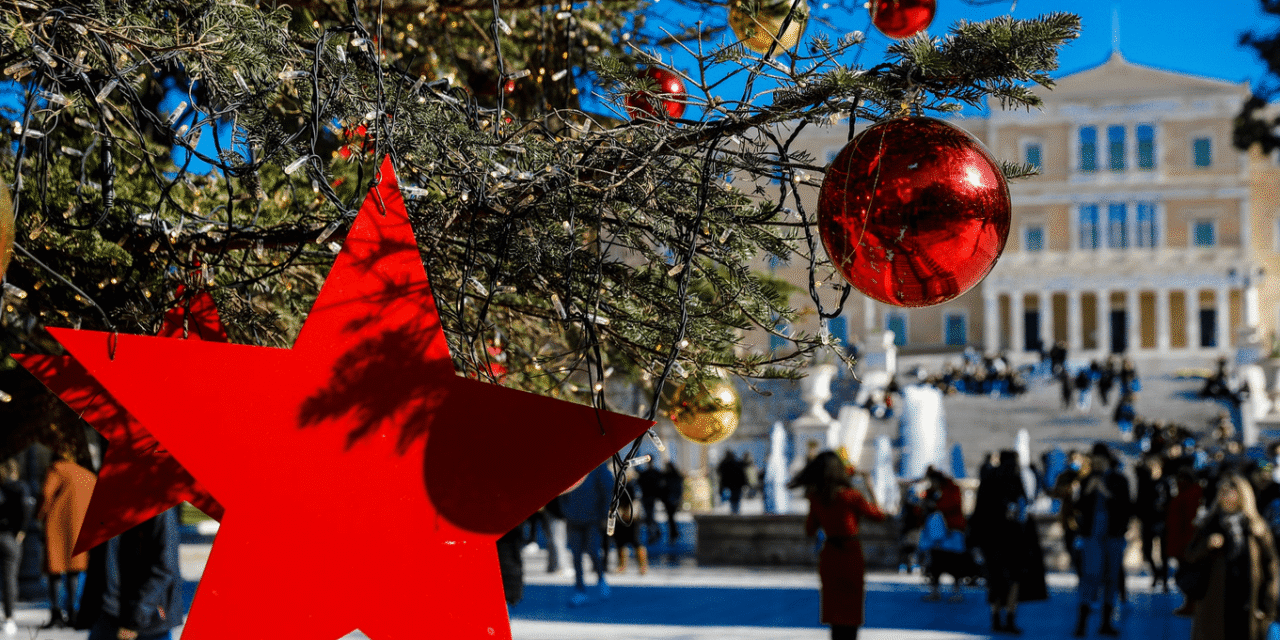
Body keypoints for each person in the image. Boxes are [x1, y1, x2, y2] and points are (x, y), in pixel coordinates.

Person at [790, 451, 886, 640]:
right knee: (851, 609)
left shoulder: (817, 498)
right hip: (850, 553)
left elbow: (810, 530)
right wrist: (869, 485)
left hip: (830, 554)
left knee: (834, 610)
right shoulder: (851, 496)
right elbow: (879, 515)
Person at [1184, 473, 1278, 640]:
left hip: (1249, 603)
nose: (1225, 497)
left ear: (1243, 496)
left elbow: (1271, 566)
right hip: (1215, 604)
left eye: (1230, 493)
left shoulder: (1257, 528)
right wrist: (1207, 545)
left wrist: (1268, 604)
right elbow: (1189, 557)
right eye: (1222, 492)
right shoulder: (1209, 524)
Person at [75, 507, 184, 640]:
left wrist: (136, 619)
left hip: (146, 621)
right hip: (106, 615)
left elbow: (164, 568)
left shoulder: (158, 508)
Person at [970, 450, 1046, 634]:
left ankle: (996, 618)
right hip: (1012, 539)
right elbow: (1023, 509)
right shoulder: (1013, 480)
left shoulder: (989, 480)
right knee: (1013, 580)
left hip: (992, 540)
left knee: (996, 580)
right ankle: (1009, 618)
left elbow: (978, 513)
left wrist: (976, 540)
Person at [1073, 443, 1132, 637]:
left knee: (1111, 577)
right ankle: (1082, 623)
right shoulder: (1087, 480)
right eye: (1094, 460)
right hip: (1092, 536)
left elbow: (1125, 507)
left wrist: (1106, 493)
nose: (1097, 463)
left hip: (1113, 535)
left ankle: (1106, 622)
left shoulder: (1119, 480)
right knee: (1090, 576)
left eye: (1100, 460)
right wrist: (1088, 492)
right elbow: (1079, 507)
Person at [39, 442, 96, 629]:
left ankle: (56, 613)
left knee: (54, 571)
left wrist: (40, 516)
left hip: (56, 528)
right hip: (79, 530)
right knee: (74, 572)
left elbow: (46, 494)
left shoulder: (57, 469)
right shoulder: (88, 476)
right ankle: (73, 612)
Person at [559, 462, 613, 606]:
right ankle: (580, 589)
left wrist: (604, 515)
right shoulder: (569, 467)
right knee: (576, 555)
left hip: (592, 518)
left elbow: (607, 489)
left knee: (593, 550)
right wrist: (566, 511)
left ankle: (601, 579)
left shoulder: (597, 466)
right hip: (573, 518)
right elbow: (561, 490)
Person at [918, 467, 970, 602]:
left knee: (954, 563)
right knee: (935, 562)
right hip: (937, 534)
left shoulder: (952, 489)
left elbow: (952, 504)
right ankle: (935, 591)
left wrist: (936, 504)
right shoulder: (932, 492)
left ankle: (957, 591)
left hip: (952, 531)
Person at [0, 459, 32, 635]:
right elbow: (26, 508)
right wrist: (22, 530)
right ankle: (9, 617)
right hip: (10, 536)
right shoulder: (20, 488)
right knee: (9, 579)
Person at [1135, 455, 1171, 591]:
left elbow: (1170, 500)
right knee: (1147, 551)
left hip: (1162, 520)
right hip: (1148, 520)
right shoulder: (1144, 482)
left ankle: (1165, 580)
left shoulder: (1165, 482)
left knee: (1164, 553)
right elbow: (1139, 500)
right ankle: (1156, 574)